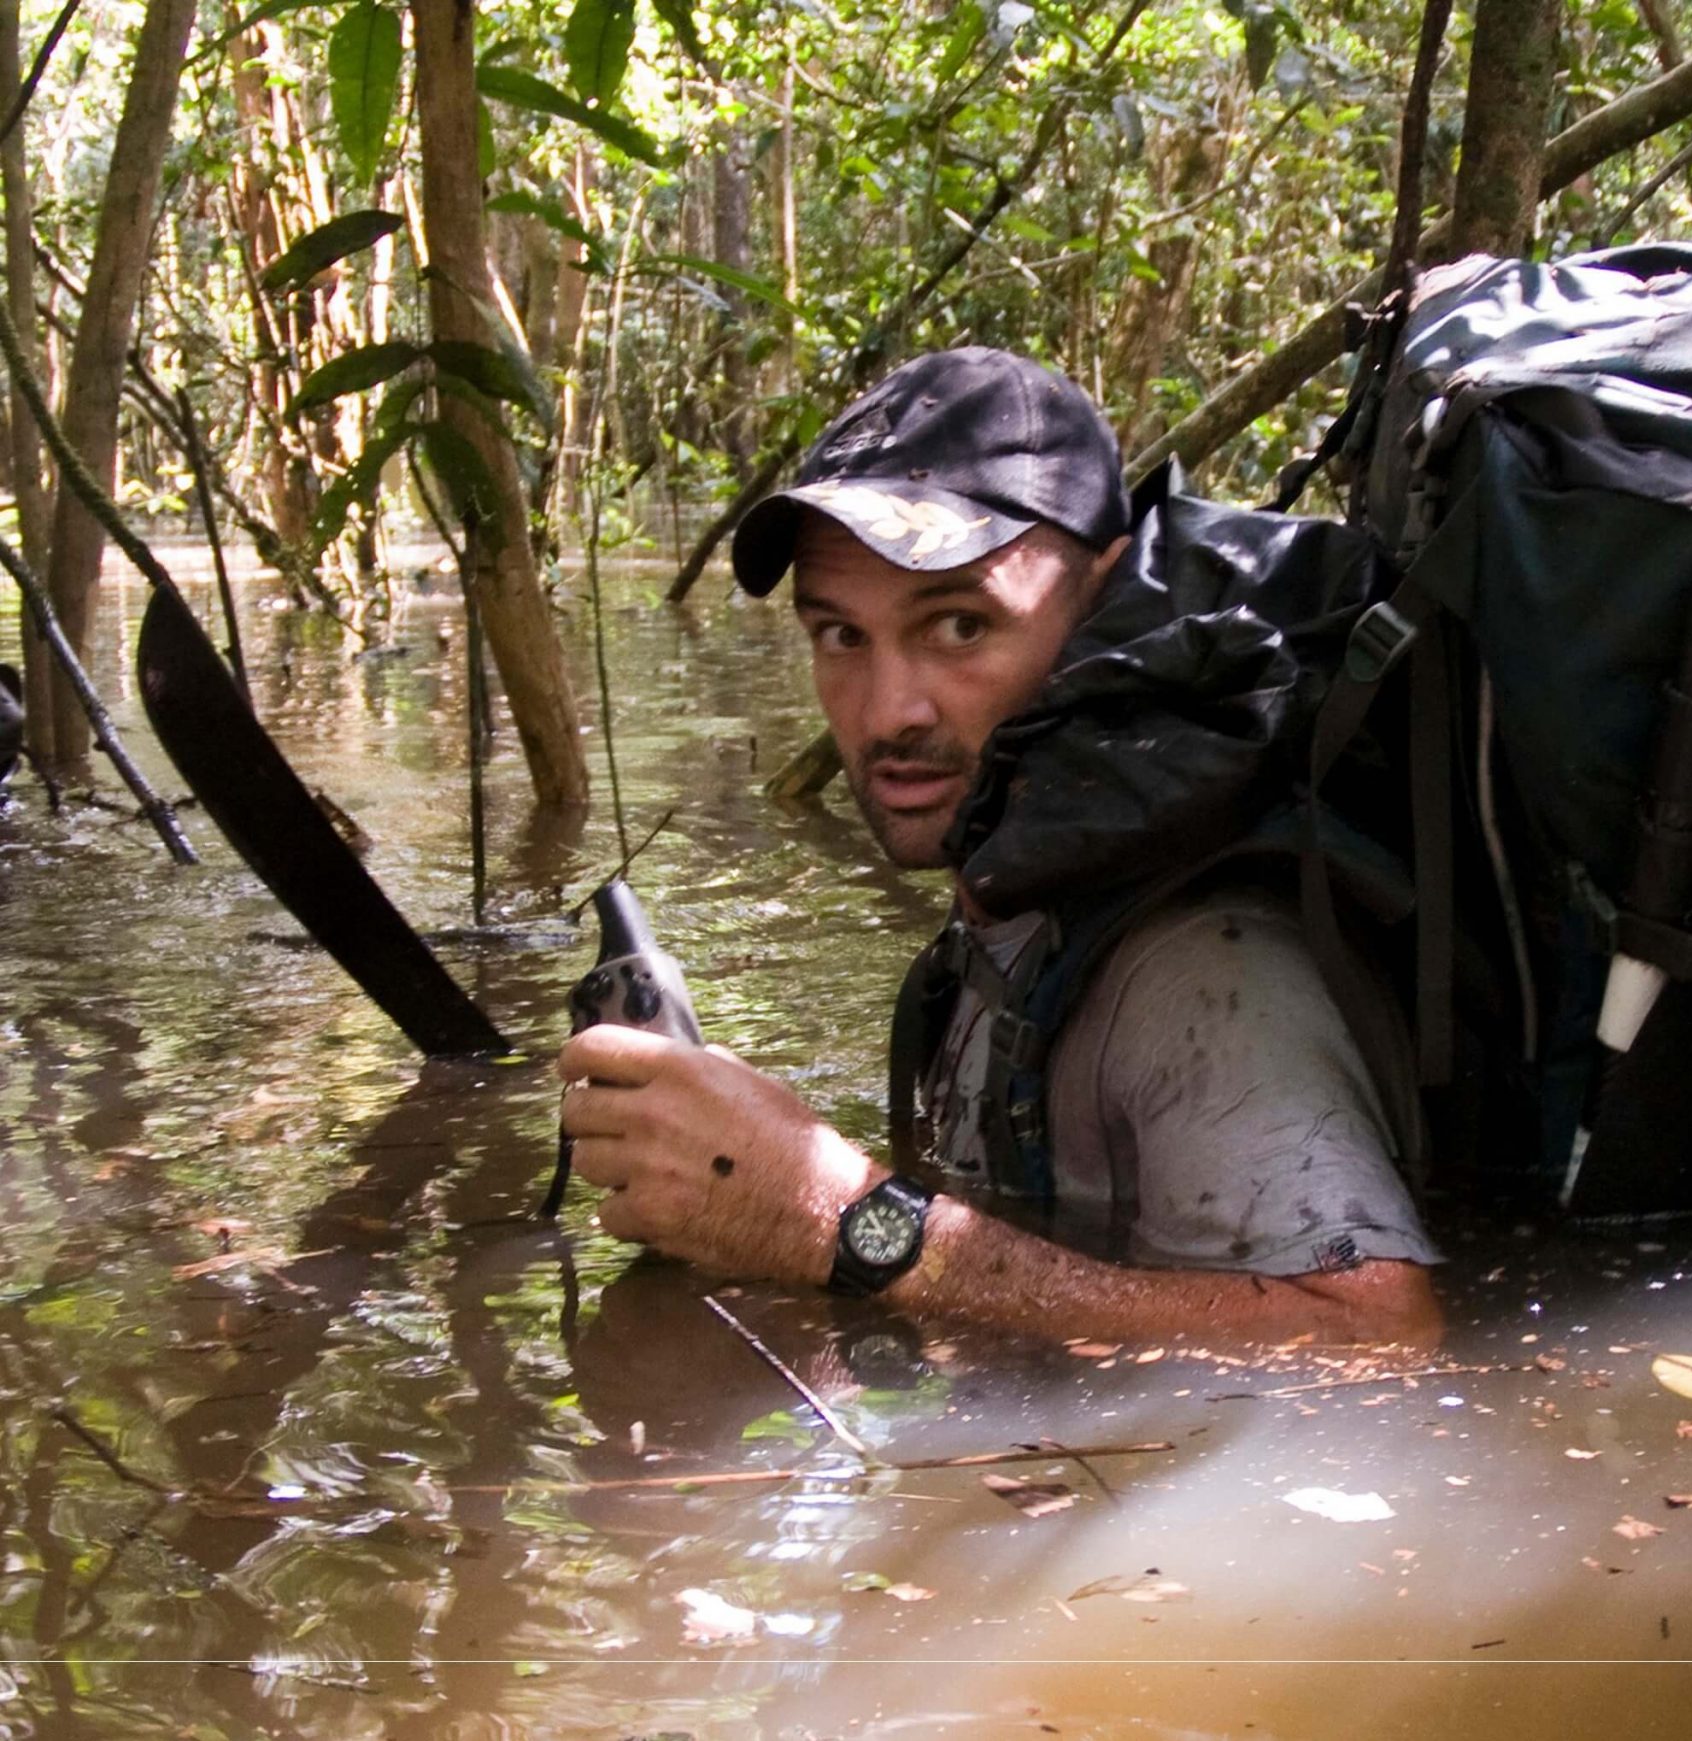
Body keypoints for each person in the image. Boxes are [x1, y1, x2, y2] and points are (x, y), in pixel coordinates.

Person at [556, 350, 1443, 1348]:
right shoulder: (1021, 889)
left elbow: (1375, 1342)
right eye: (842, 637)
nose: (888, 714)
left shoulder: (1198, 969)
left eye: (961, 626)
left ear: (1100, 600)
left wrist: (837, 1223)